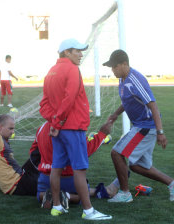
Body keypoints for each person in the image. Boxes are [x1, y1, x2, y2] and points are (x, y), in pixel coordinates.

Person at [39, 38, 112, 220]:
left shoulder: (51, 71)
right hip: (72, 128)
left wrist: (54, 122)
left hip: (60, 129)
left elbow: (44, 104)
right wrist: (57, 122)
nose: (81, 54)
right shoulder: (72, 69)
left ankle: (57, 206)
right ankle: (88, 211)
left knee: (56, 168)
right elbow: (69, 98)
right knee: (80, 169)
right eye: (77, 51)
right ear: (66, 52)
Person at [103, 49, 174, 202]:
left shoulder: (135, 79)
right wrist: (115, 114)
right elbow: (127, 101)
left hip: (146, 127)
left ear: (124, 64)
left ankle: (124, 193)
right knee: (136, 166)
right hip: (141, 126)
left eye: (114, 66)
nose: (112, 70)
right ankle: (172, 183)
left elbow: (153, 105)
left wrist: (160, 131)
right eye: (111, 67)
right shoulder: (123, 79)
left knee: (117, 153)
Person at [31, 121, 121, 209]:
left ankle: (47, 196)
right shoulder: (71, 128)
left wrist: (45, 164)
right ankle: (68, 196)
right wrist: (102, 134)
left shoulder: (41, 128)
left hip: (46, 178)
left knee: (40, 193)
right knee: (83, 196)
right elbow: (85, 151)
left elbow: (33, 151)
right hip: (70, 178)